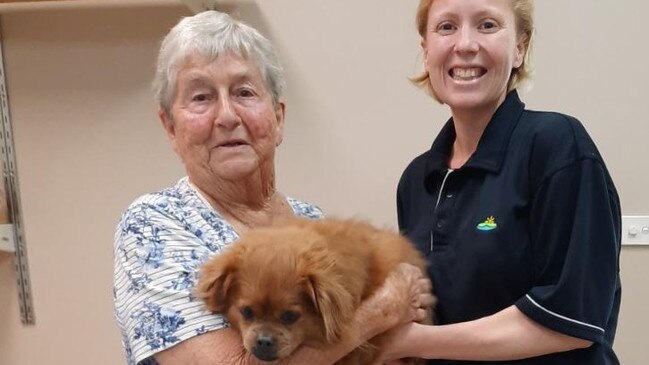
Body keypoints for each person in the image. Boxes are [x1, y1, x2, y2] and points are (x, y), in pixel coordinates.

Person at [112, 10, 432, 365]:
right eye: (201, 97)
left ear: (278, 118)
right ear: (170, 126)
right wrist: (383, 309)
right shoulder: (155, 227)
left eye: (244, 93)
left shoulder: (311, 220)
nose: (227, 116)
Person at [383, 0, 622, 364]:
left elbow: (570, 319)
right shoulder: (417, 181)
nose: (464, 44)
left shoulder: (557, 145)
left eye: (487, 25)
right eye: (446, 27)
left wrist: (409, 342)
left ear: (520, 49)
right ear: (427, 50)